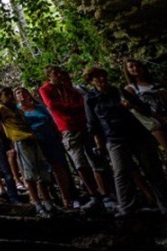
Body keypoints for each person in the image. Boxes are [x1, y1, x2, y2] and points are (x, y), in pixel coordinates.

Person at [84, 66, 167, 216]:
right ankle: (127, 208)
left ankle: (164, 204)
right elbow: (93, 124)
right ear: (91, 81)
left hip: (137, 135)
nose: (102, 79)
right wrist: (99, 144)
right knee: (121, 172)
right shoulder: (91, 99)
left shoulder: (120, 91)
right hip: (114, 138)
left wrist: (131, 106)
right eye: (97, 77)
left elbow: (144, 108)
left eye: (103, 75)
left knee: (153, 170)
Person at [39, 65, 111, 209]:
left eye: (60, 73)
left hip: (83, 125)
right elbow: (52, 105)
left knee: (95, 158)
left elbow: (82, 102)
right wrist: (72, 107)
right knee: (80, 162)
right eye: (56, 74)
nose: (59, 76)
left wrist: (72, 106)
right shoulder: (46, 89)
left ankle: (106, 193)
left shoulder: (69, 88)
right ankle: (93, 194)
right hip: (67, 128)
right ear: (49, 76)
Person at [0, 86, 56, 216]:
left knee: (42, 171)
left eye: (10, 93)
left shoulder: (18, 110)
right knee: (29, 173)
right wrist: (6, 140)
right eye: (5, 94)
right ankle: (37, 204)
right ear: (0, 97)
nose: (9, 96)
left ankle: (48, 202)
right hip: (20, 141)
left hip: (31, 138)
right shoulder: (1, 108)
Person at [17, 87, 73, 208]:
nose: (21, 95)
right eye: (18, 93)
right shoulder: (17, 111)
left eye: (24, 92)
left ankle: (66, 198)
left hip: (50, 139)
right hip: (34, 143)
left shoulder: (40, 107)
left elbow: (51, 120)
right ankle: (47, 199)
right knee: (40, 171)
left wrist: (57, 134)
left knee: (58, 167)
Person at [123, 59, 167, 150]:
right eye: (131, 66)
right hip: (154, 121)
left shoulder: (155, 83)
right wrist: (159, 118)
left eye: (138, 65)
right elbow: (137, 107)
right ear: (127, 70)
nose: (135, 68)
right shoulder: (129, 88)